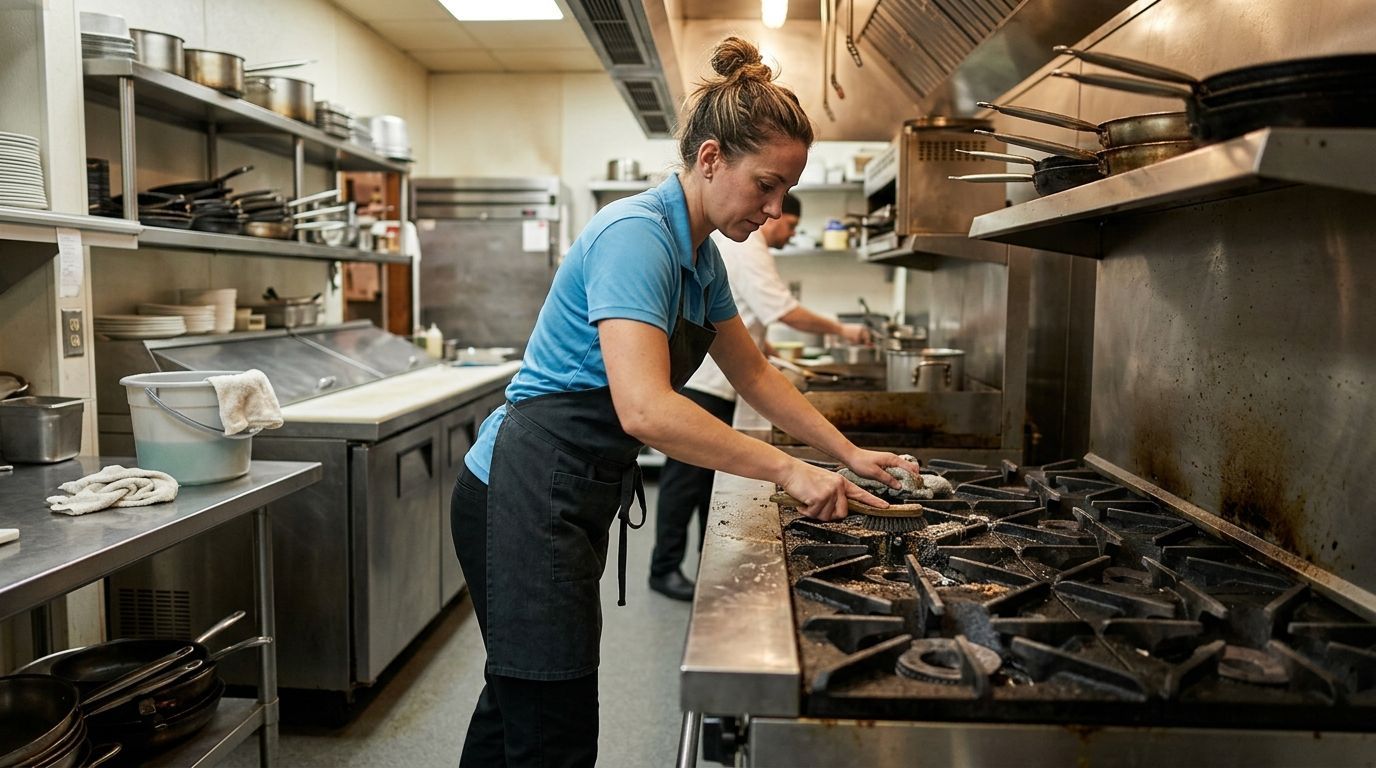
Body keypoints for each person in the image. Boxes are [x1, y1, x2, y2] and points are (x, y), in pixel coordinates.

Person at [450, 35, 922, 767]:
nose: (773, 208)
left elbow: (755, 374)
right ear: (710, 159)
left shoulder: (700, 255)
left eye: (785, 193)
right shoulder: (636, 236)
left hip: (567, 488)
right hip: (520, 488)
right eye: (765, 184)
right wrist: (787, 471)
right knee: (554, 722)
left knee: (520, 695)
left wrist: (847, 453)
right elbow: (646, 409)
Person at [648, 192, 872, 600]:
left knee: (698, 485)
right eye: (769, 189)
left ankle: (694, 560)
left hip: (718, 378)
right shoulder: (741, 246)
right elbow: (782, 310)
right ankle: (663, 569)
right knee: (683, 483)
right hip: (706, 382)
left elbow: (748, 353)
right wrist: (844, 331)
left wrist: (849, 454)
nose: (777, 217)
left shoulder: (716, 256)